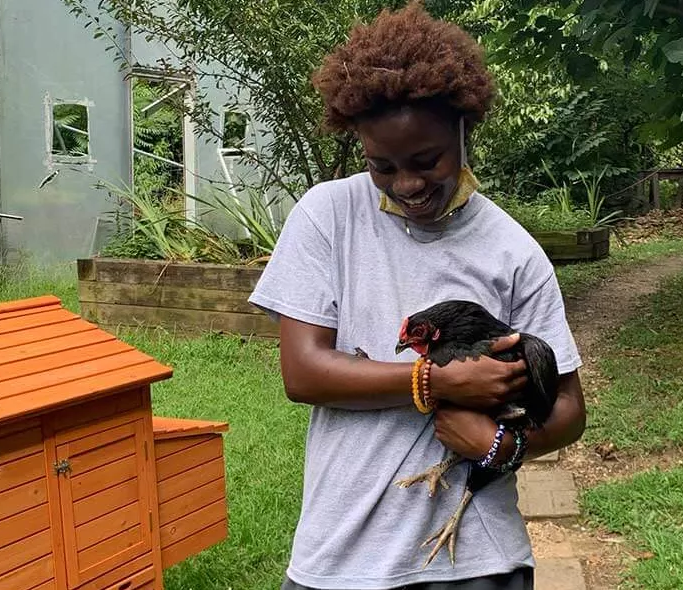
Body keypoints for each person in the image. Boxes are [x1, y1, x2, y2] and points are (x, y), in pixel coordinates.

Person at [248, 2, 586, 589]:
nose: (407, 184)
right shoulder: (328, 217)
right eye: (383, 165)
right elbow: (302, 373)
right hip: (341, 552)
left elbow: (569, 410)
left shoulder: (514, 251)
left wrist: (502, 445)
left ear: (464, 128)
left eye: (427, 160)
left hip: (477, 558)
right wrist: (435, 382)